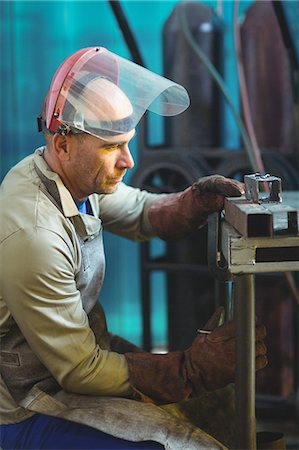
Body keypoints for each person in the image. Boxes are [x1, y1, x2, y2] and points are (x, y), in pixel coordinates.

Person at [0, 46, 267, 450]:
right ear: (63, 143)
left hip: (75, 361)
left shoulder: (71, 178)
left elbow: (140, 212)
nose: (128, 160)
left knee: (217, 415)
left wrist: (191, 201)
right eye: (111, 147)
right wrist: (189, 370)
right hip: (29, 399)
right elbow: (80, 370)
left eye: (128, 142)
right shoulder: (35, 232)